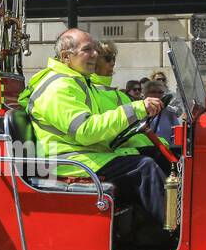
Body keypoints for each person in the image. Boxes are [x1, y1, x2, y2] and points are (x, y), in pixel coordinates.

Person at [25, 28, 167, 225]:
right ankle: (176, 235)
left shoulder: (78, 82)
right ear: (66, 56)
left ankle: (157, 228)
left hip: (87, 154)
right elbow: (86, 131)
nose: (95, 55)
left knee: (158, 155)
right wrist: (134, 109)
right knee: (145, 168)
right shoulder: (58, 88)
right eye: (88, 50)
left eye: (95, 50)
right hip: (68, 161)